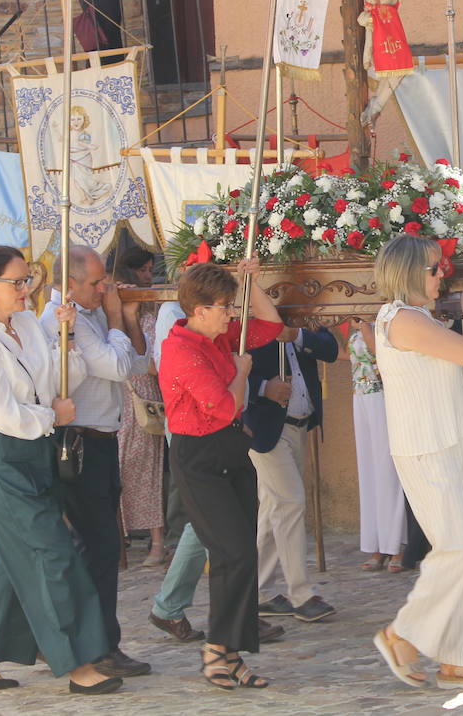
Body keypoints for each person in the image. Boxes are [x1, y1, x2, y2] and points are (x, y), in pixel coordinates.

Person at [0, 245, 121, 694]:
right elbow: (1, 411)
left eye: (29, 280)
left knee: (12, 560)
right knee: (53, 555)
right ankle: (78, 662)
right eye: (18, 282)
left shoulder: (26, 323)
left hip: (39, 452)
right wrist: (52, 417)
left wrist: (65, 342)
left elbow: (64, 382)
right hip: (4, 458)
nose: (28, 290)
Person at [369, 234, 463, 690]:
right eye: (433, 267)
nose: (442, 273)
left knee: (459, 550)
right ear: (408, 273)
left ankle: (455, 657)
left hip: (446, 439)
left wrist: (454, 391)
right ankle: (403, 634)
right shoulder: (403, 318)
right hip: (425, 447)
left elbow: (432, 369)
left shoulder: (416, 317)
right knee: (460, 546)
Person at [159, 259, 285, 690]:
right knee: (231, 553)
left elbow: (270, 324)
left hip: (231, 449)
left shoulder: (219, 335)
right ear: (198, 309)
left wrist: (252, 282)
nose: (232, 313)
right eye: (224, 306)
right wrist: (243, 374)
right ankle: (216, 649)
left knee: (242, 554)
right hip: (199, 458)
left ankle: (230, 654)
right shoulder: (182, 349)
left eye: (232, 305)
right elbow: (223, 405)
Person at [39, 245, 151, 677]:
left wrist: (120, 317)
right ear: (68, 283)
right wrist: (115, 315)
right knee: (99, 548)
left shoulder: (91, 315)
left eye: (105, 281)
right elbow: (117, 365)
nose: (104, 288)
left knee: (103, 548)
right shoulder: (65, 319)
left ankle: (95, 642)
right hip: (78, 441)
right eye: (95, 283)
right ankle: (96, 645)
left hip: (103, 439)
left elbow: (140, 361)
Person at [249, 323, 339, 625]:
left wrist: (296, 335)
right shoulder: (247, 319)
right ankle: (301, 594)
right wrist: (263, 387)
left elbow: (330, 348)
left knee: (274, 507)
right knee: (290, 503)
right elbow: (228, 369)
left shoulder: (301, 313)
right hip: (265, 429)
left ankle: (258, 591)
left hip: (298, 425)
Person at [113, 246, 167, 567]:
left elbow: (148, 360)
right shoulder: (112, 310)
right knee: (117, 468)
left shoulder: (152, 311)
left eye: (151, 270)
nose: (149, 276)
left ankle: (157, 541)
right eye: (144, 270)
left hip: (144, 398)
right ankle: (121, 535)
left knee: (147, 469)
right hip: (121, 395)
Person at [349, 319, 406, 571]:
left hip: (384, 397)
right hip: (360, 397)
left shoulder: (388, 319)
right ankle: (377, 543)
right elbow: (348, 355)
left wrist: (364, 327)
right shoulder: (357, 323)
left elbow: (379, 354)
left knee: (388, 470)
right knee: (369, 470)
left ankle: (398, 544)